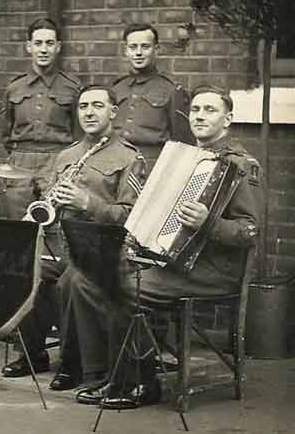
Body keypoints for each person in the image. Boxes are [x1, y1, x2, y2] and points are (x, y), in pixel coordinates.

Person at [74, 85, 259, 408]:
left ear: (228, 119)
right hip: (177, 261)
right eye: (197, 110)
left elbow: (250, 231)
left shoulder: (240, 165)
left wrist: (209, 223)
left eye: (210, 110)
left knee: (125, 287)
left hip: (216, 269)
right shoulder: (184, 158)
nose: (200, 116)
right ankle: (120, 374)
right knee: (101, 275)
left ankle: (139, 383)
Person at [2, 85, 145, 388]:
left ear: (113, 112)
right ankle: (32, 352)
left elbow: (131, 217)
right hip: (66, 245)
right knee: (25, 266)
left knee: (69, 280)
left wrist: (87, 203)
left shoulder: (130, 157)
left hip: (104, 250)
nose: (89, 112)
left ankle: (73, 364)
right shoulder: (67, 155)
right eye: (83, 107)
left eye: (97, 105)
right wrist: (42, 211)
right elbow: (51, 207)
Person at [0, 17, 82, 220]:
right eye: (38, 43)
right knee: (16, 221)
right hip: (20, 162)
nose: (43, 49)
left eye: (49, 43)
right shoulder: (14, 87)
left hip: (57, 160)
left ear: (58, 47)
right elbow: (5, 133)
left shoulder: (72, 87)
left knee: (55, 220)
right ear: (29, 47)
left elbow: (79, 136)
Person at [112, 23, 194, 167]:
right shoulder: (117, 88)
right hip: (115, 164)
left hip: (152, 165)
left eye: (145, 47)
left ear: (156, 49)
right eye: (133, 47)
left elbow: (183, 144)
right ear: (126, 51)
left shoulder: (172, 90)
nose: (138, 53)